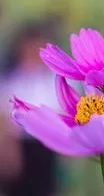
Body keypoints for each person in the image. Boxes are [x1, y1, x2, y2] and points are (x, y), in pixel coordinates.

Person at [0, 22, 63, 196]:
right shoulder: (11, 78)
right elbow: (4, 117)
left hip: (46, 146)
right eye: (31, 47)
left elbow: (63, 115)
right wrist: (7, 149)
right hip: (19, 146)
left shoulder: (54, 80)